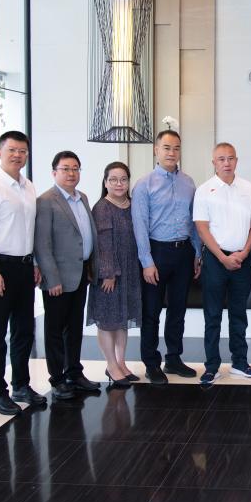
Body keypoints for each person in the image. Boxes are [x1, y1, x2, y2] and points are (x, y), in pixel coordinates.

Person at [0, 130, 45, 415]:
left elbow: (30, 230)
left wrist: (35, 263)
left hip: (24, 266)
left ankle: (21, 384)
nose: (17, 155)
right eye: (12, 150)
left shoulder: (28, 186)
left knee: (24, 330)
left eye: (22, 151)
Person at [133, 129, 202, 383]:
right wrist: (147, 262)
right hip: (157, 252)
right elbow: (140, 226)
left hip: (183, 253)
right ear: (156, 150)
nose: (172, 153)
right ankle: (151, 363)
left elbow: (193, 222)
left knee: (178, 310)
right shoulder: (144, 184)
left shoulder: (189, 183)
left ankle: (174, 358)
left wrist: (196, 253)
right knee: (151, 312)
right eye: (166, 148)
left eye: (176, 148)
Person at [35, 151, 101, 400]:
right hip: (58, 278)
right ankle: (57, 378)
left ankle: (74, 371)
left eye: (75, 168)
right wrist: (51, 279)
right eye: (65, 169)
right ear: (54, 172)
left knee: (74, 327)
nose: (71, 173)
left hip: (80, 273)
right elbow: (42, 244)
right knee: (54, 329)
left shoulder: (82, 197)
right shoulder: (46, 201)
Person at [194, 143, 251, 384]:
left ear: (236, 161)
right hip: (215, 260)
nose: (226, 163)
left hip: (242, 259)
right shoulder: (204, 190)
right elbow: (202, 228)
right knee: (212, 315)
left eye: (230, 158)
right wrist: (222, 257)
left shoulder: (249, 189)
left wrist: (244, 253)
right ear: (214, 162)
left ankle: (239, 362)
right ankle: (211, 366)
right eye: (221, 159)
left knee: (239, 314)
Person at [87, 162, 142, 386]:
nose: (119, 184)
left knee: (122, 319)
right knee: (107, 320)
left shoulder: (133, 205)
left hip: (130, 271)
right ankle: (111, 365)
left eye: (123, 179)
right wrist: (108, 273)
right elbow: (103, 245)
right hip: (110, 274)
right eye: (113, 179)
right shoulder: (102, 207)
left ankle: (121, 362)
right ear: (105, 182)